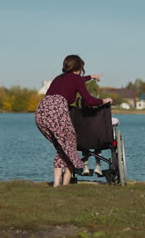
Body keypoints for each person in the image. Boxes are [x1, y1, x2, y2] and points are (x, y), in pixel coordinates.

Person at [35, 55, 112, 187]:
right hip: (57, 111)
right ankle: (64, 185)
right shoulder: (76, 79)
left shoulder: (58, 78)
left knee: (62, 147)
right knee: (70, 144)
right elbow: (89, 100)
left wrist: (92, 77)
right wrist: (105, 100)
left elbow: (76, 81)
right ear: (80, 67)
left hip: (41, 112)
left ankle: (56, 185)